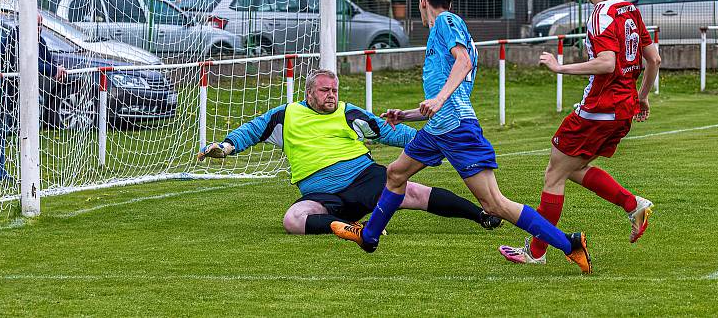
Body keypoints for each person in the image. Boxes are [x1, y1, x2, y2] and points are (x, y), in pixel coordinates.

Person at [330, 0, 592, 274]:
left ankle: (570, 245)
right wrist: (407, 114)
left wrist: (439, 100)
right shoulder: (445, 30)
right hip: (439, 129)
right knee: (395, 173)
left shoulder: (446, 21)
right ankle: (368, 236)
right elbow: (447, 91)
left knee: (494, 204)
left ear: (422, 1)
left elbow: (463, 62)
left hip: (456, 128)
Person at [499, 0, 661, 265]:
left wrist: (561, 68)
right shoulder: (630, 11)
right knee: (570, 170)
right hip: (622, 110)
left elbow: (606, 63)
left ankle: (536, 252)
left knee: (554, 175)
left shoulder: (600, 16)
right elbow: (653, 59)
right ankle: (632, 204)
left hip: (597, 111)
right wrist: (641, 96)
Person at [198, 69, 503, 235]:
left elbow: (387, 131)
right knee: (293, 219)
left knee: (414, 194)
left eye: (334, 90)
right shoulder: (286, 114)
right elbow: (251, 130)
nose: (331, 95)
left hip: (361, 177)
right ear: (309, 93)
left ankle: (482, 215)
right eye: (324, 90)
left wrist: (432, 142)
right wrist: (224, 148)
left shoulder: (347, 112)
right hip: (322, 195)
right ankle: (350, 229)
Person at [0, 13, 66, 180]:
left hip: (15, 92)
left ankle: (17, 169)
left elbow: (47, 59)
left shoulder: (39, 40)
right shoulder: (16, 37)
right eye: (36, 24)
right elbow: (27, 61)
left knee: (9, 128)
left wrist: (57, 68)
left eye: (41, 25)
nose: (39, 29)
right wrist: (53, 71)